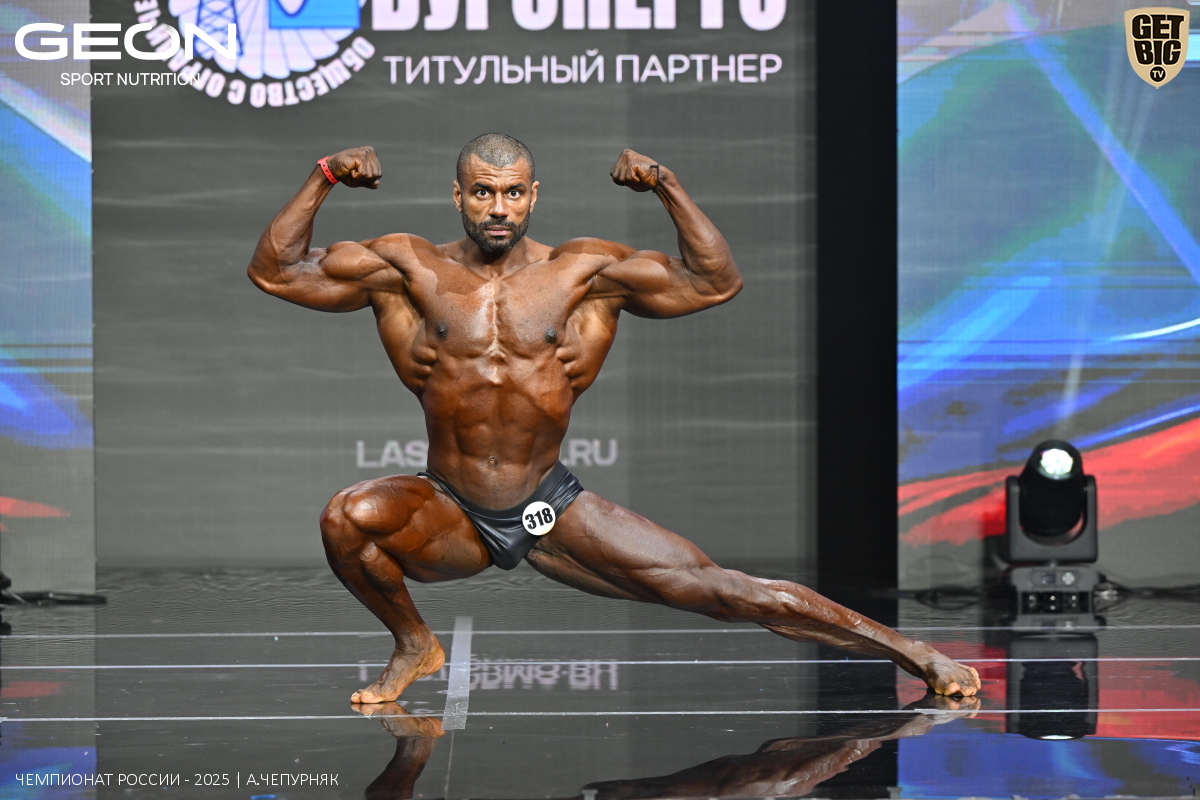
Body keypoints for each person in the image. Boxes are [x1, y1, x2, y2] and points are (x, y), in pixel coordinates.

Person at [247, 134, 981, 704]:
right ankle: (415, 643)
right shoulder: (406, 268)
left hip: (547, 504)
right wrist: (325, 174)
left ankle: (916, 653)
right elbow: (275, 270)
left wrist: (665, 184)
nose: (498, 208)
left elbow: (714, 281)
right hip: (450, 507)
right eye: (483, 193)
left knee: (725, 592)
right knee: (347, 517)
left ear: (533, 195)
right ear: (458, 195)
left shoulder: (583, 274)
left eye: (512, 193)